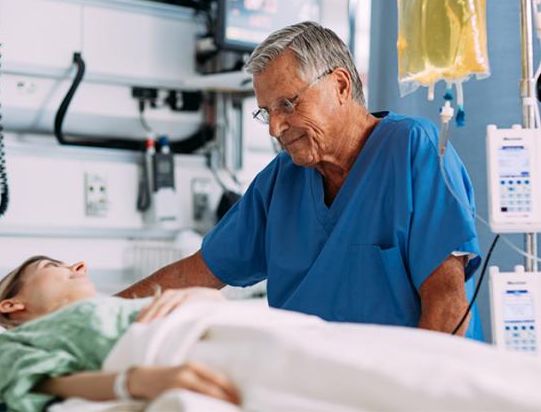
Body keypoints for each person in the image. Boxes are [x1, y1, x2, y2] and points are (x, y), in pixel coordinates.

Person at [117, 21, 483, 339]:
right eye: (267, 113)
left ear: (340, 86)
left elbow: (448, 306)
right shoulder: (282, 182)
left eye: (288, 105)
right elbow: (196, 272)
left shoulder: (413, 151)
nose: (276, 127)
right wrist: (98, 313)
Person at [0, 256, 240, 412]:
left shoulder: (130, 306)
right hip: (211, 369)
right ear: (12, 305)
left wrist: (206, 296)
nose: (79, 266)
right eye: (50, 266)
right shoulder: (11, 344)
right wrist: (132, 382)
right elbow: (29, 382)